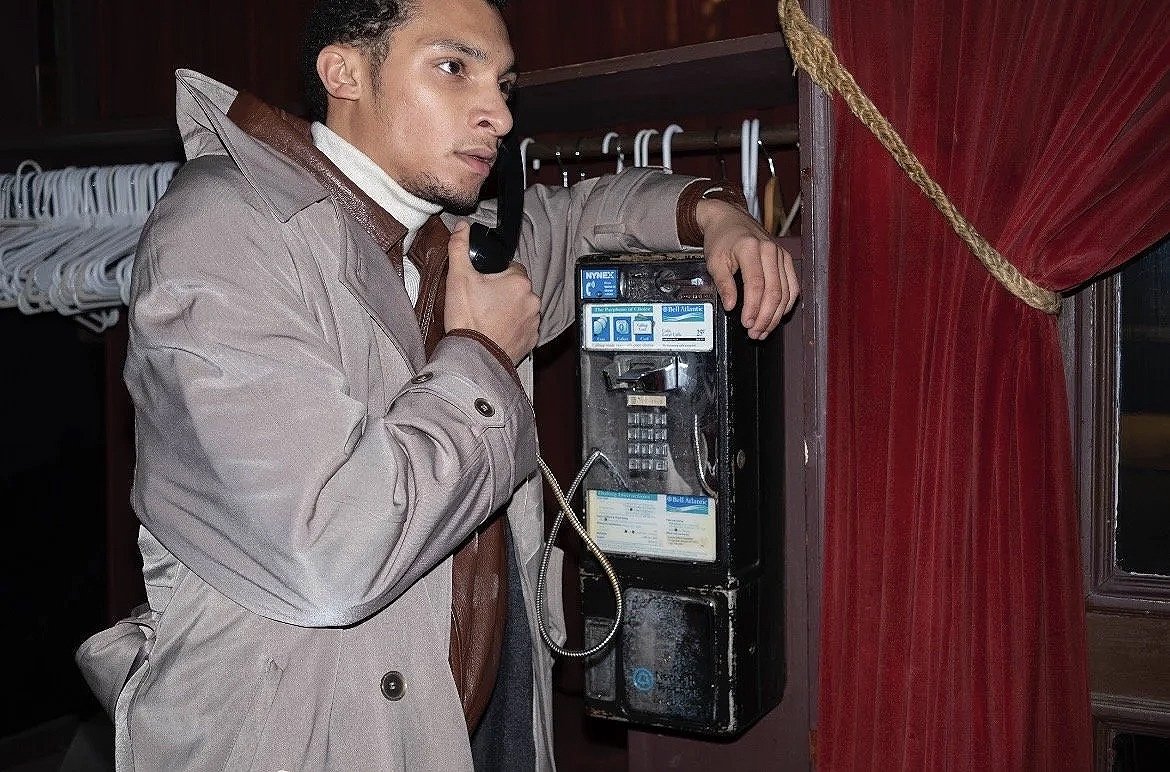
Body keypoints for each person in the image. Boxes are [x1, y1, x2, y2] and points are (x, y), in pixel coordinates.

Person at [76, 0, 799, 769]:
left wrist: (716, 214)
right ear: (345, 72)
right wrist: (482, 352)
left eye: (505, 85)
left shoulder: (449, 240)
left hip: (478, 730)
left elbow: (591, 213)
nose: (496, 112)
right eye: (453, 68)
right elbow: (327, 557)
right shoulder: (226, 232)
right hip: (304, 741)